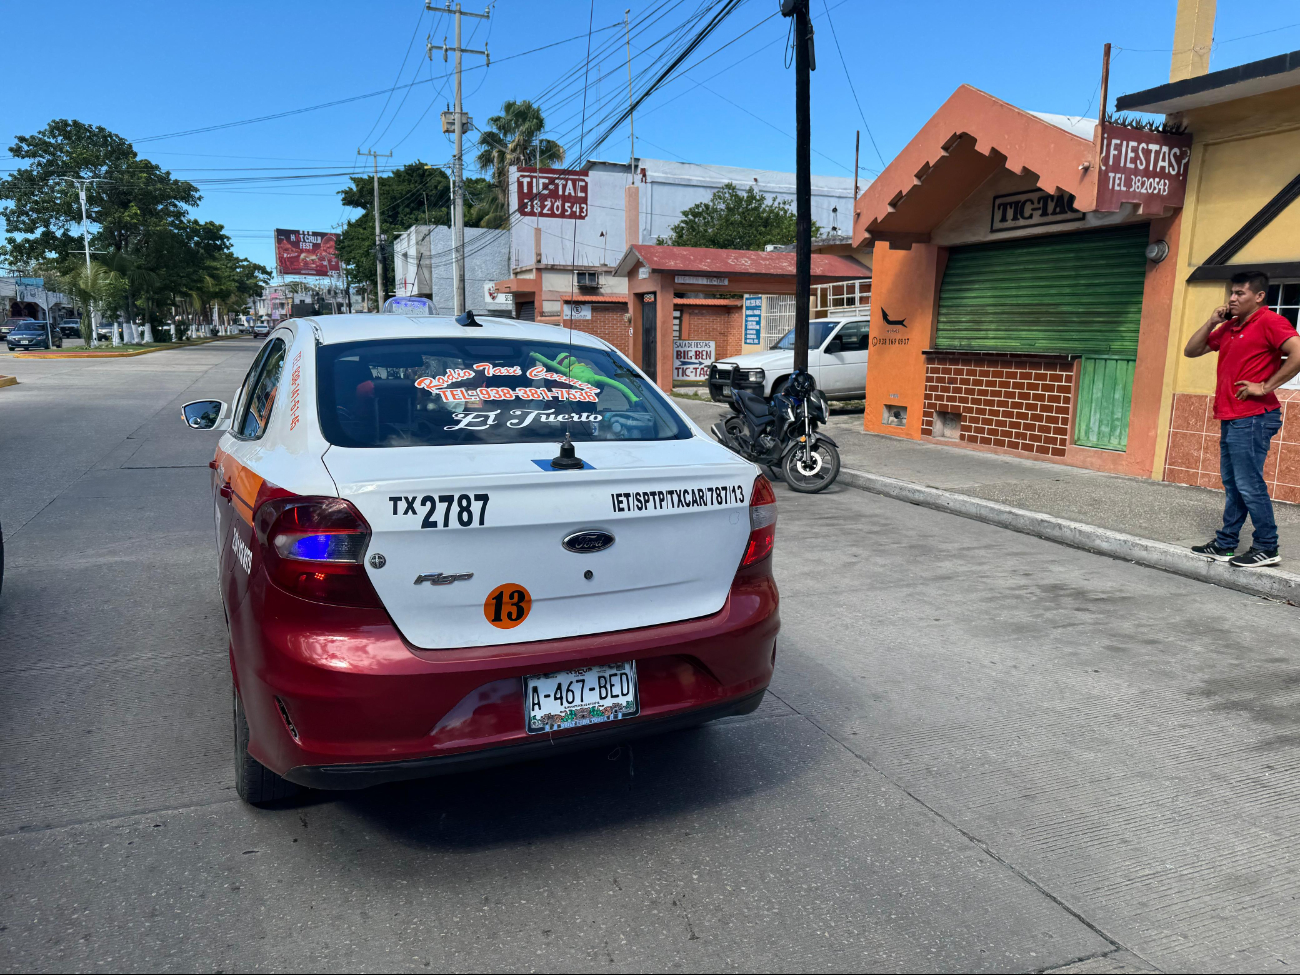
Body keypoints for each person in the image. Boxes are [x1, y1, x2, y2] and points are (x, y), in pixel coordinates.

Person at [1184, 270, 1300, 567]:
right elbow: (1191, 350)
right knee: (1234, 484)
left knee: (1248, 484)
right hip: (1232, 415)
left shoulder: (1271, 322)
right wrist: (1212, 322)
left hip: (1254, 417)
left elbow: (1298, 353)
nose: (1232, 298)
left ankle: (1267, 546)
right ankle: (1225, 544)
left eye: (1240, 293)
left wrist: (1264, 386)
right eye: (1231, 293)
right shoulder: (1231, 327)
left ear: (1259, 296)